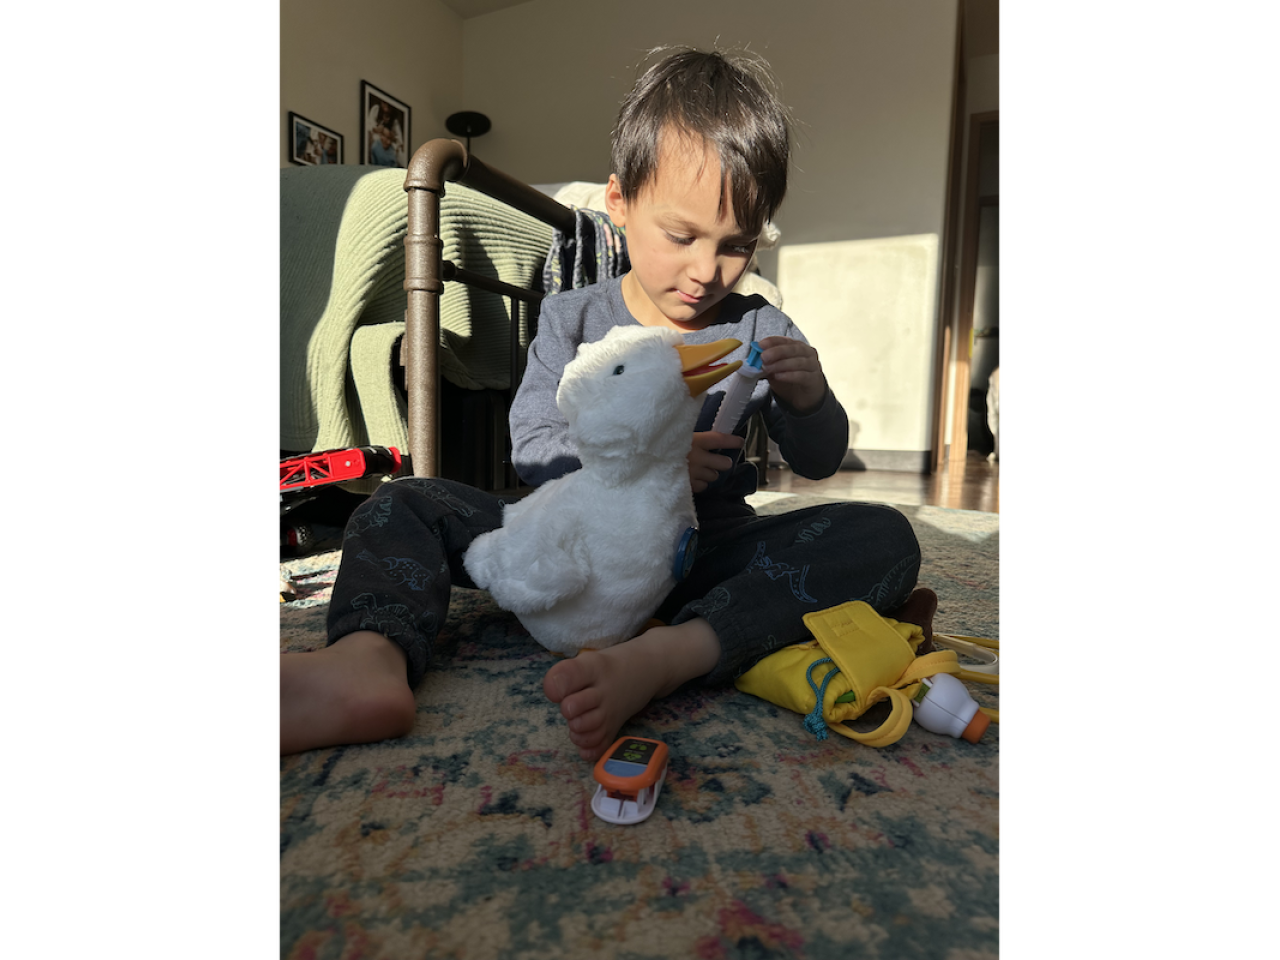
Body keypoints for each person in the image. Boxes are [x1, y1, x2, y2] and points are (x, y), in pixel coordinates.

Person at [277, 47, 935, 759]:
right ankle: (369, 662)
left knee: (884, 536)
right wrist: (649, 468)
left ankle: (671, 654)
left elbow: (818, 460)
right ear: (619, 204)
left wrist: (811, 398)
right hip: (573, 540)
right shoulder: (574, 317)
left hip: (700, 553)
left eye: (737, 246)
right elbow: (531, 445)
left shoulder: (758, 326)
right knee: (402, 502)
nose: (705, 271)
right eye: (681, 236)